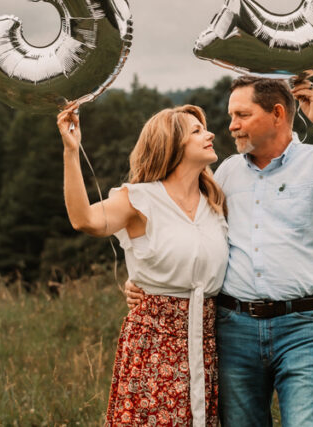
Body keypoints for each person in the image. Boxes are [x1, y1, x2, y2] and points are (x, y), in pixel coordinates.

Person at [127, 76, 313, 426]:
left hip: (305, 325)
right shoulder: (224, 173)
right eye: (230, 115)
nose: (232, 126)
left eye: (241, 114)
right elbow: (183, 232)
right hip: (234, 326)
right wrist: (144, 284)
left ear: (276, 114)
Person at [58, 103, 229, 426]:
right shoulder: (138, 199)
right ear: (172, 145)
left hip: (207, 343)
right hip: (153, 345)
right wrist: (71, 151)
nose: (210, 134)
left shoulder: (216, 199)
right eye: (197, 131)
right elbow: (85, 221)